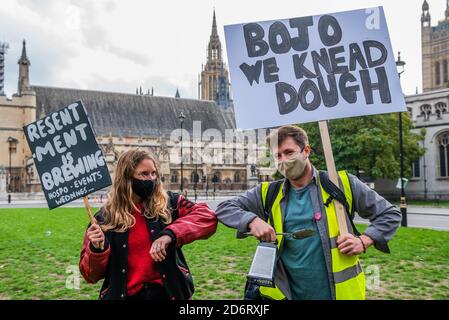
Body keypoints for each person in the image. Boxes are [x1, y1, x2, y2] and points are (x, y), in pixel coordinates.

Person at [215, 125, 401, 300]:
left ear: (306, 151)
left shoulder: (341, 183)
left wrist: (364, 241)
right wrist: (252, 221)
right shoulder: (267, 193)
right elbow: (224, 209)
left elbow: (390, 215)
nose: (283, 160)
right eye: (277, 156)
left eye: (289, 152)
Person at [79, 149, 217, 300]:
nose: (151, 179)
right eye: (144, 174)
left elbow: (207, 216)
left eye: (154, 173)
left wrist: (170, 234)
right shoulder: (104, 219)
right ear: (127, 178)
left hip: (169, 294)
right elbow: (89, 275)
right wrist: (97, 249)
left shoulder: (169, 203)